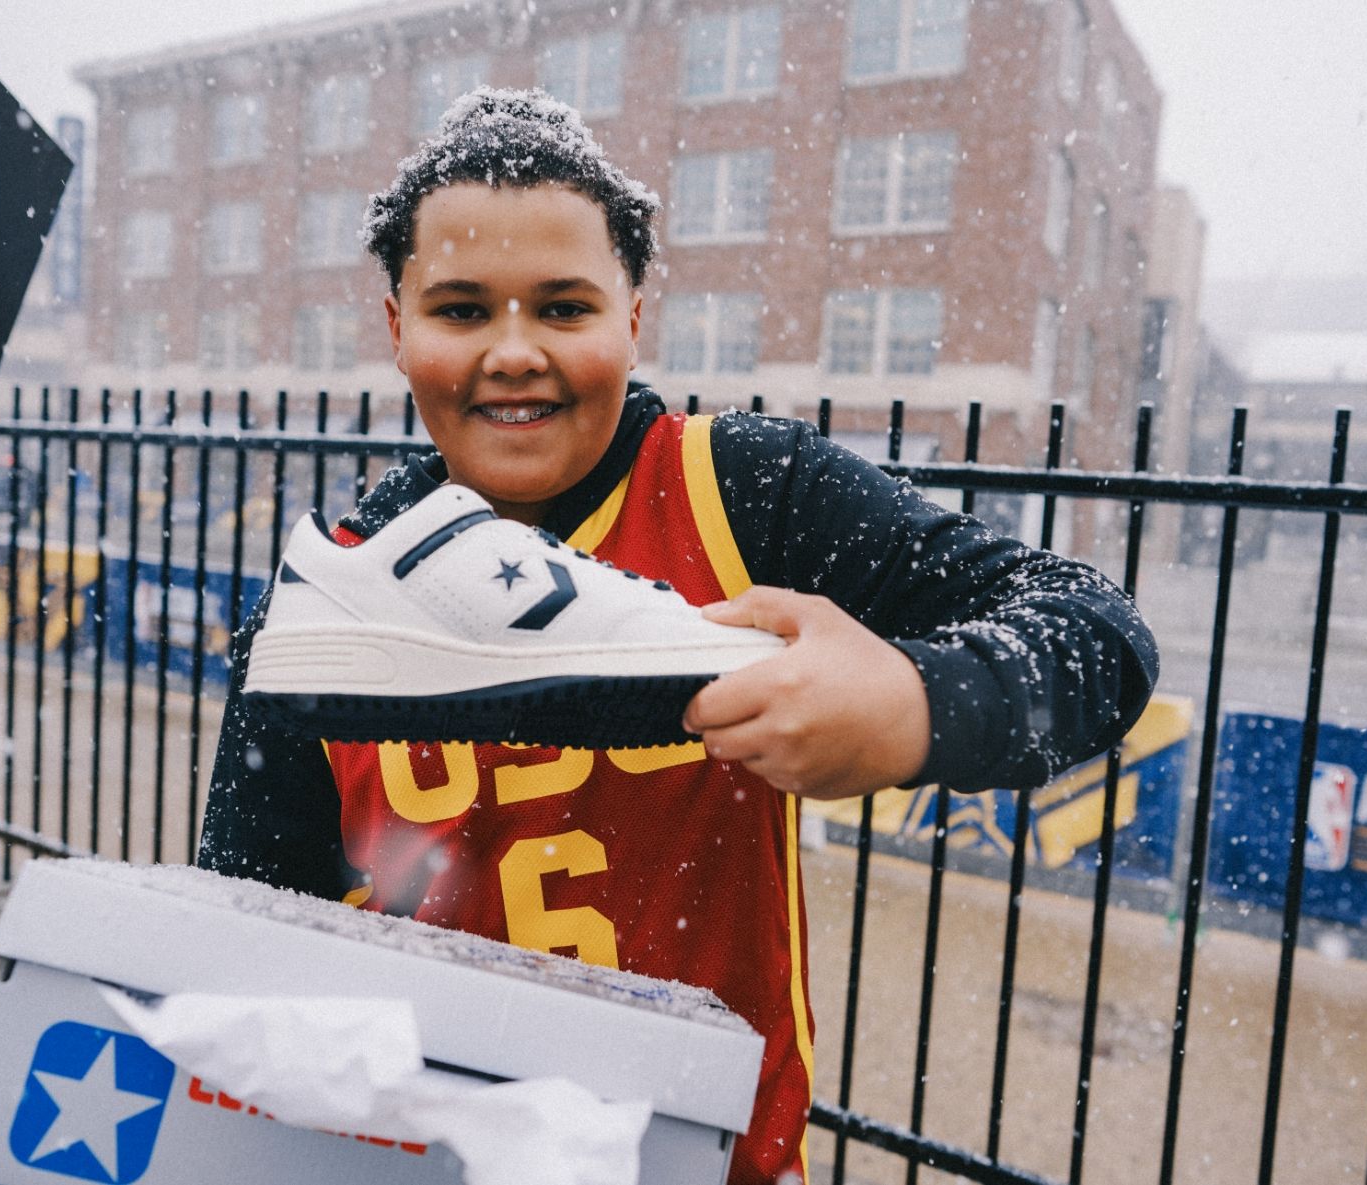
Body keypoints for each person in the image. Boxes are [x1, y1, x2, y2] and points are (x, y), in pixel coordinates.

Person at [199, 87, 1159, 1185]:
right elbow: (247, 952)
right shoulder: (334, 596)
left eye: (565, 308)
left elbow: (1099, 633)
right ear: (396, 327)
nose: (514, 352)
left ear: (634, 318)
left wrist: (913, 706)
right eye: (462, 310)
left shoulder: (747, 492)